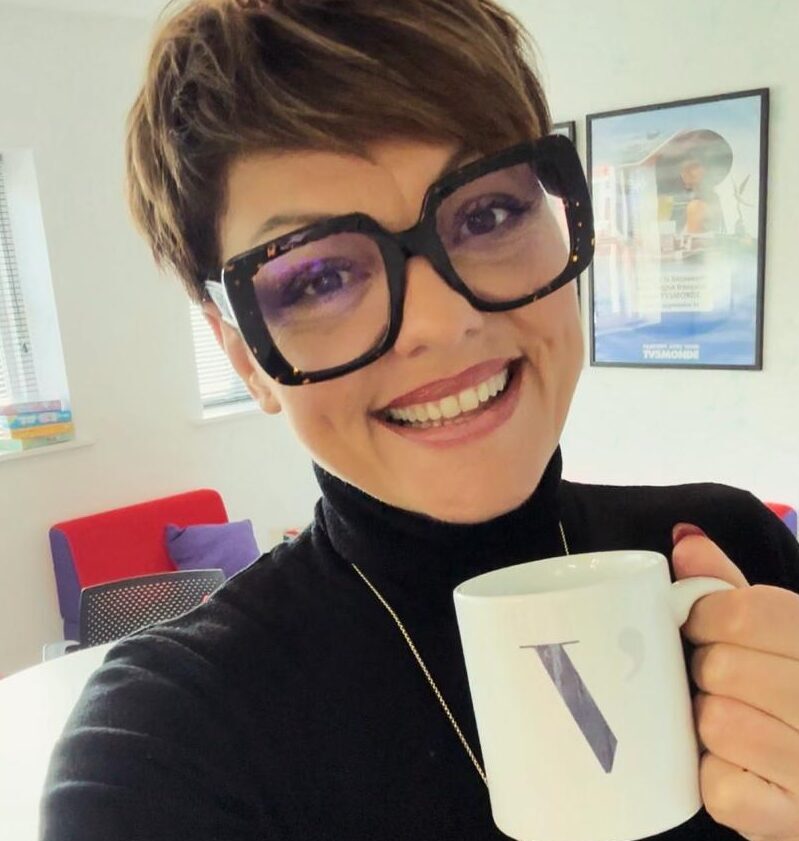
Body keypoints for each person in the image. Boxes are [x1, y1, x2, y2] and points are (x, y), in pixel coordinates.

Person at [41, 2, 799, 839]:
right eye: (319, 278)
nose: (438, 324)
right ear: (246, 357)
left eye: (487, 214)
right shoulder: (163, 743)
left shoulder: (737, 565)